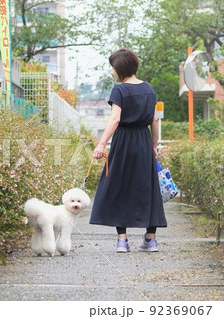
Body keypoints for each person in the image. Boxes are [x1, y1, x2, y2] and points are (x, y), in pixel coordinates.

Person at [89, 48, 167, 253]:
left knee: (118, 185)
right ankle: (151, 239)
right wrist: (153, 145)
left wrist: (101, 144)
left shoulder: (120, 90)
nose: (112, 71)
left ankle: (122, 240)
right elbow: (154, 121)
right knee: (148, 188)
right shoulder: (149, 89)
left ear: (119, 68)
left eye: (112, 67)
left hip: (123, 141)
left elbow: (115, 119)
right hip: (143, 140)